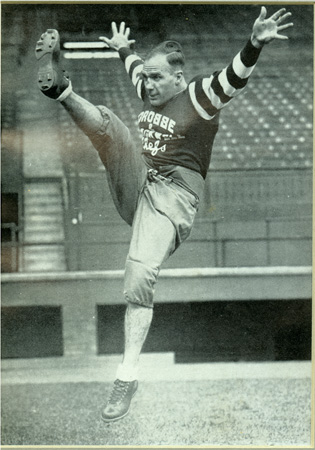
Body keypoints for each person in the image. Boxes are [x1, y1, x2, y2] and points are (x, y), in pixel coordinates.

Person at [35, 6, 293, 423]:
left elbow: (234, 76)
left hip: (172, 199)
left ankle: (127, 375)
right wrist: (124, 51)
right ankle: (61, 91)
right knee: (109, 124)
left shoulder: (197, 97)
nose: (149, 85)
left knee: (137, 273)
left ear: (178, 78)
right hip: (141, 181)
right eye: (148, 78)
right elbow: (138, 69)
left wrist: (255, 42)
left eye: (158, 78)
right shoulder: (148, 86)